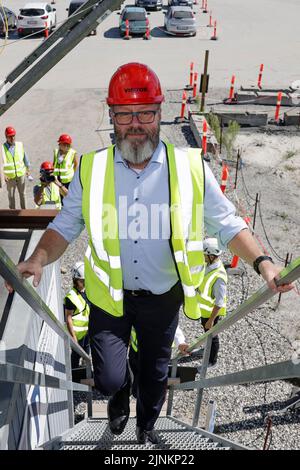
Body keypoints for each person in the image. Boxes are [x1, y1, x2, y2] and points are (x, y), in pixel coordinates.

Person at [7, 63, 293, 445]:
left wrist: (264, 264)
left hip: (163, 297)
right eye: (124, 114)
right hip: (110, 297)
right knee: (108, 377)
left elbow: (228, 222)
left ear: (159, 114)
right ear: (111, 116)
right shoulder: (92, 169)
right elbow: (65, 224)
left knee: (156, 376)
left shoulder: (191, 168)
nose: (135, 123)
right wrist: (37, 259)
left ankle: (146, 425)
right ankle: (120, 398)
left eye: (145, 113)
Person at [129, 325, 188, 398]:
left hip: (157, 354)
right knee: (138, 376)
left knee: (152, 381)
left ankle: (148, 398)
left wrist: (180, 342)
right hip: (136, 351)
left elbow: (172, 324)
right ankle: (139, 393)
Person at [197, 238, 227, 367]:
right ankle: (207, 350)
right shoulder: (209, 265)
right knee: (207, 334)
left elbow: (219, 303)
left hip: (211, 314)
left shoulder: (219, 277)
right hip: (205, 311)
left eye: (204, 254)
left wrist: (210, 320)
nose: (202, 256)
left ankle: (211, 361)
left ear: (211, 255)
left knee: (212, 337)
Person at [64, 262, 90, 369]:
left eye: (85, 281)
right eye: (82, 281)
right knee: (76, 356)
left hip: (86, 332)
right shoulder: (71, 297)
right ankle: (73, 375)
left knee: (86, 352)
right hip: (77, 335)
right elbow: (68, 318)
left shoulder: (86, 292)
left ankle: (86, 368)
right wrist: (74, 338)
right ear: (75, 280)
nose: (84, 283)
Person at [1, 126, 31, 209]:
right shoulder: (2, 148)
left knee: (23, 195)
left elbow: (25, 158)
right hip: (10, 178)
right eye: (10, 136)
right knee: (11, 197)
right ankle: (12, 215)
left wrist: (28, 169)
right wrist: (3, 175)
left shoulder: (19, 145)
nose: (12, 138)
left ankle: (24, 214)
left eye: (13, 135)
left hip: (21, 175)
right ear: (6, 137)